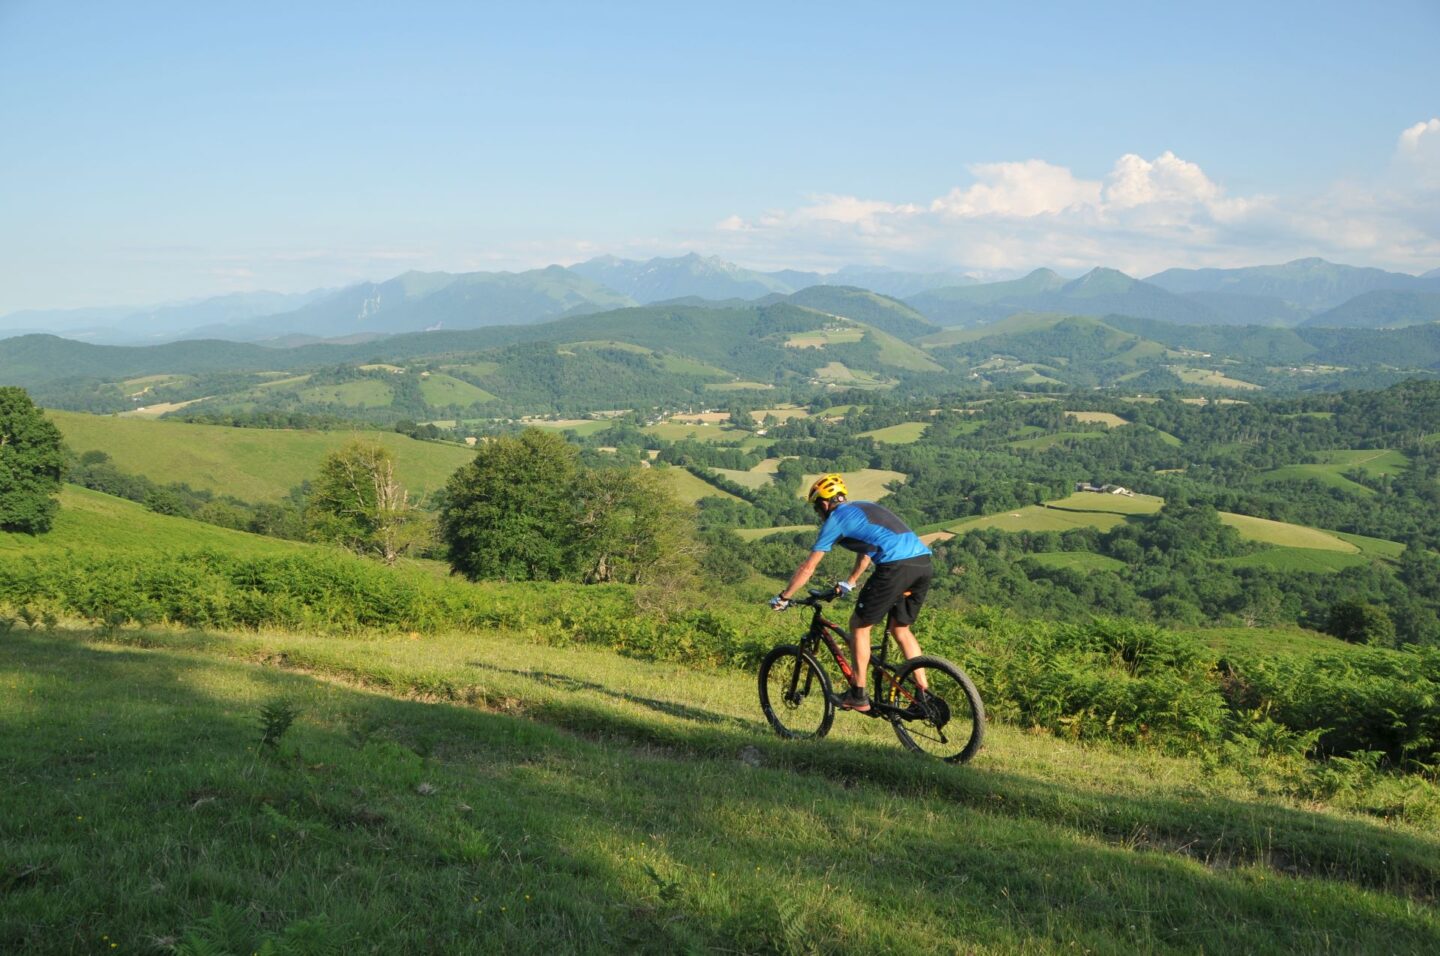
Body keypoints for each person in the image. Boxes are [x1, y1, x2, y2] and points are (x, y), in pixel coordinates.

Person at [770, 473, 932, 712]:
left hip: (895, 567)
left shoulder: (836, 520)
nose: (818, 513)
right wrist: (850, 581)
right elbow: (867, 550)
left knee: (859, 625)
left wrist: (784, 597)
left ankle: (858, 694)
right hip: (923, 564)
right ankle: (923, 696)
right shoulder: (864, 506)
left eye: (817, 507)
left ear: (824, 503)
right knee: (900, 629)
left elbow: (808, 567)